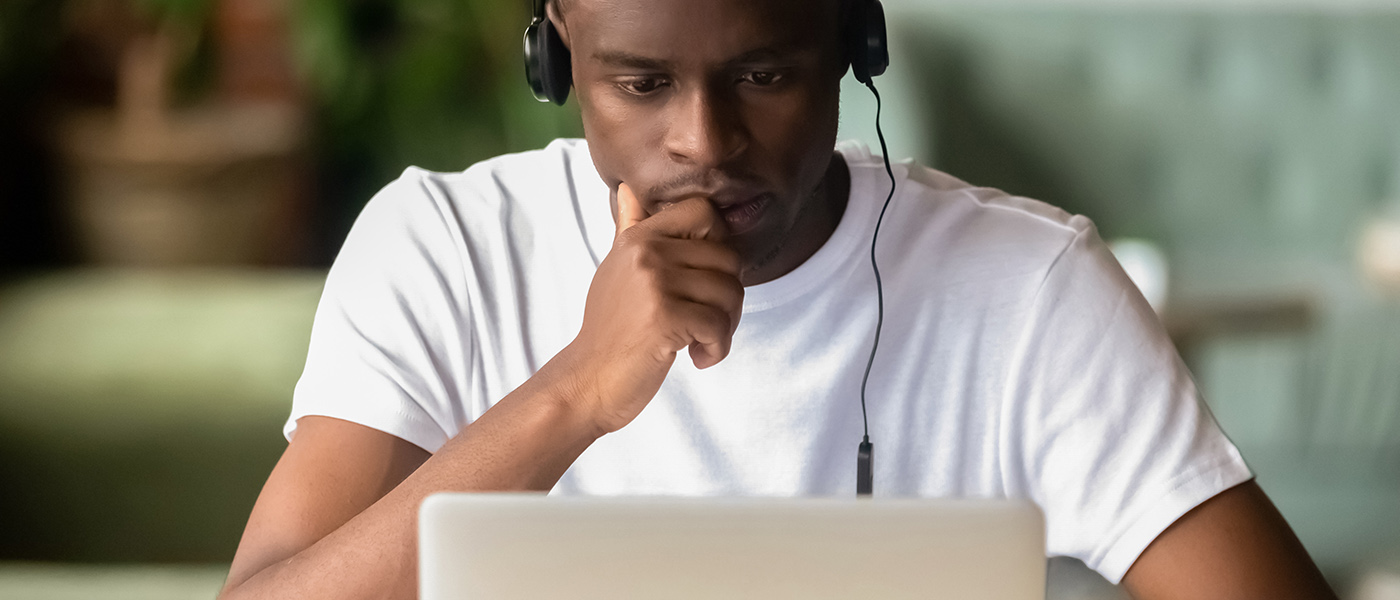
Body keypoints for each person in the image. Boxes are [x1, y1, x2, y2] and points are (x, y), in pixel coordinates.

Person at [218, 0, 1338, 598]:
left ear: (851, 43)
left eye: (763, 75)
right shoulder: (444, 247)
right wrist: (575, 393)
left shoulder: (1028, 291)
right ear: (555, 49)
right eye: (640, 83)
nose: (704, 144)